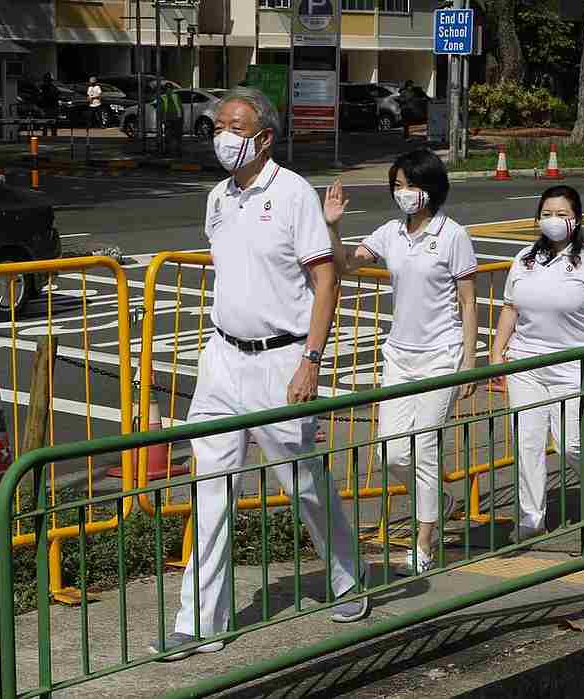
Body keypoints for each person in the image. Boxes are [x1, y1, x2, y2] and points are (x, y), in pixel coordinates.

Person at [151, 88, 370, 662]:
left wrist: (311, 361)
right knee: (212, 487)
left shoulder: (293, 193)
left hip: (284, 359)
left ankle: (349, 574)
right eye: (218, 125)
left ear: (264, 136)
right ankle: (199, 621)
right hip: (223, 359)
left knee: (302, 484)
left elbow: (326, 281)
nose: (223, 135)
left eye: (235, 125)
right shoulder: (217, 198)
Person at [324, 148, 478, 575]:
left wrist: (469, 360)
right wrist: (333, 228)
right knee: (392, 452)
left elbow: (468, 301)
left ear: (430, 187)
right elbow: (346, 266)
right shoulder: (391, 232)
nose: (403, 193)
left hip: (442, 355)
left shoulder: (453, 235)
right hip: (399, 355)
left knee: (424, 447)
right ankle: (442, 501)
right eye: (397, 185)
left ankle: (424, 542)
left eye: (410, 184)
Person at [489, 185, 584, 541]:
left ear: (577, 220)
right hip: (526, 363)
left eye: (562, 214)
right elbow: (510, 308)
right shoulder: (525, 258)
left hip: (574, 365)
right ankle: (532, 518)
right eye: (547, 213)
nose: (553, 220)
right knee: (526, 441)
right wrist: (498, 351)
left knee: (571, 443)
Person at [160, 84, 183, 157]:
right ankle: (168, 151)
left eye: (170, 88)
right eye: (167, 89)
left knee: (177, 136)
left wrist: (182, 118)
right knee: (168, 136)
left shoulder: (176, 96)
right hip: (168, 119)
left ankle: (177, 151)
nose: (169, 90)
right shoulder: (163, 97)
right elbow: (161, 110)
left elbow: (180, 107)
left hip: (177, 118)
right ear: (165, 90)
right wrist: (163, 119)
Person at [39, 73, 59, 137]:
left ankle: (51, 135)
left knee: (50, 123)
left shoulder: (50, 87)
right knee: (48, 123)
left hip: (50, 107)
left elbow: (42, 97)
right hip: (48, 107)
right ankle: (50, 135)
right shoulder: (46, 87)